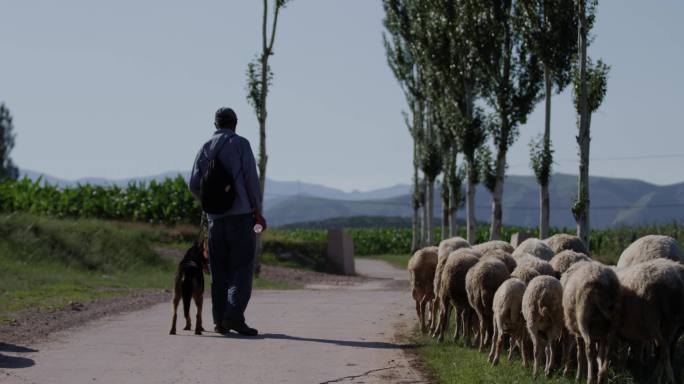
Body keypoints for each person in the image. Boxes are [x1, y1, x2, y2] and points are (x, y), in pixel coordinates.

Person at [189, 107, 267, 336]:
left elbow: (194, 185)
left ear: (216, 125)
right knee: (242, 268)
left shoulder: (205, 148)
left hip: (215, 222)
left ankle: (219, 321)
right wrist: (258, 211)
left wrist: (211, 203)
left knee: (219, 271)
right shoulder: (241, 144)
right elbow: (251, 181)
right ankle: (234, 316)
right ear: (235, 124)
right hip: (241, 217)